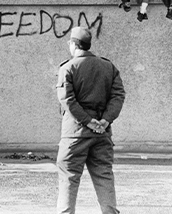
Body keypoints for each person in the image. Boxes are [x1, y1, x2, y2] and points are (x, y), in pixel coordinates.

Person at [56, 26, 125, 214]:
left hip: (75, 134)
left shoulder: (67, 68)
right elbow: (118, 96)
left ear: (74, 44)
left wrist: (87, 121)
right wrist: (105, 120)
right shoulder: (108, 66)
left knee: (69, 177)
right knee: (104, 175)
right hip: (102, 133)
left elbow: (68, 100)